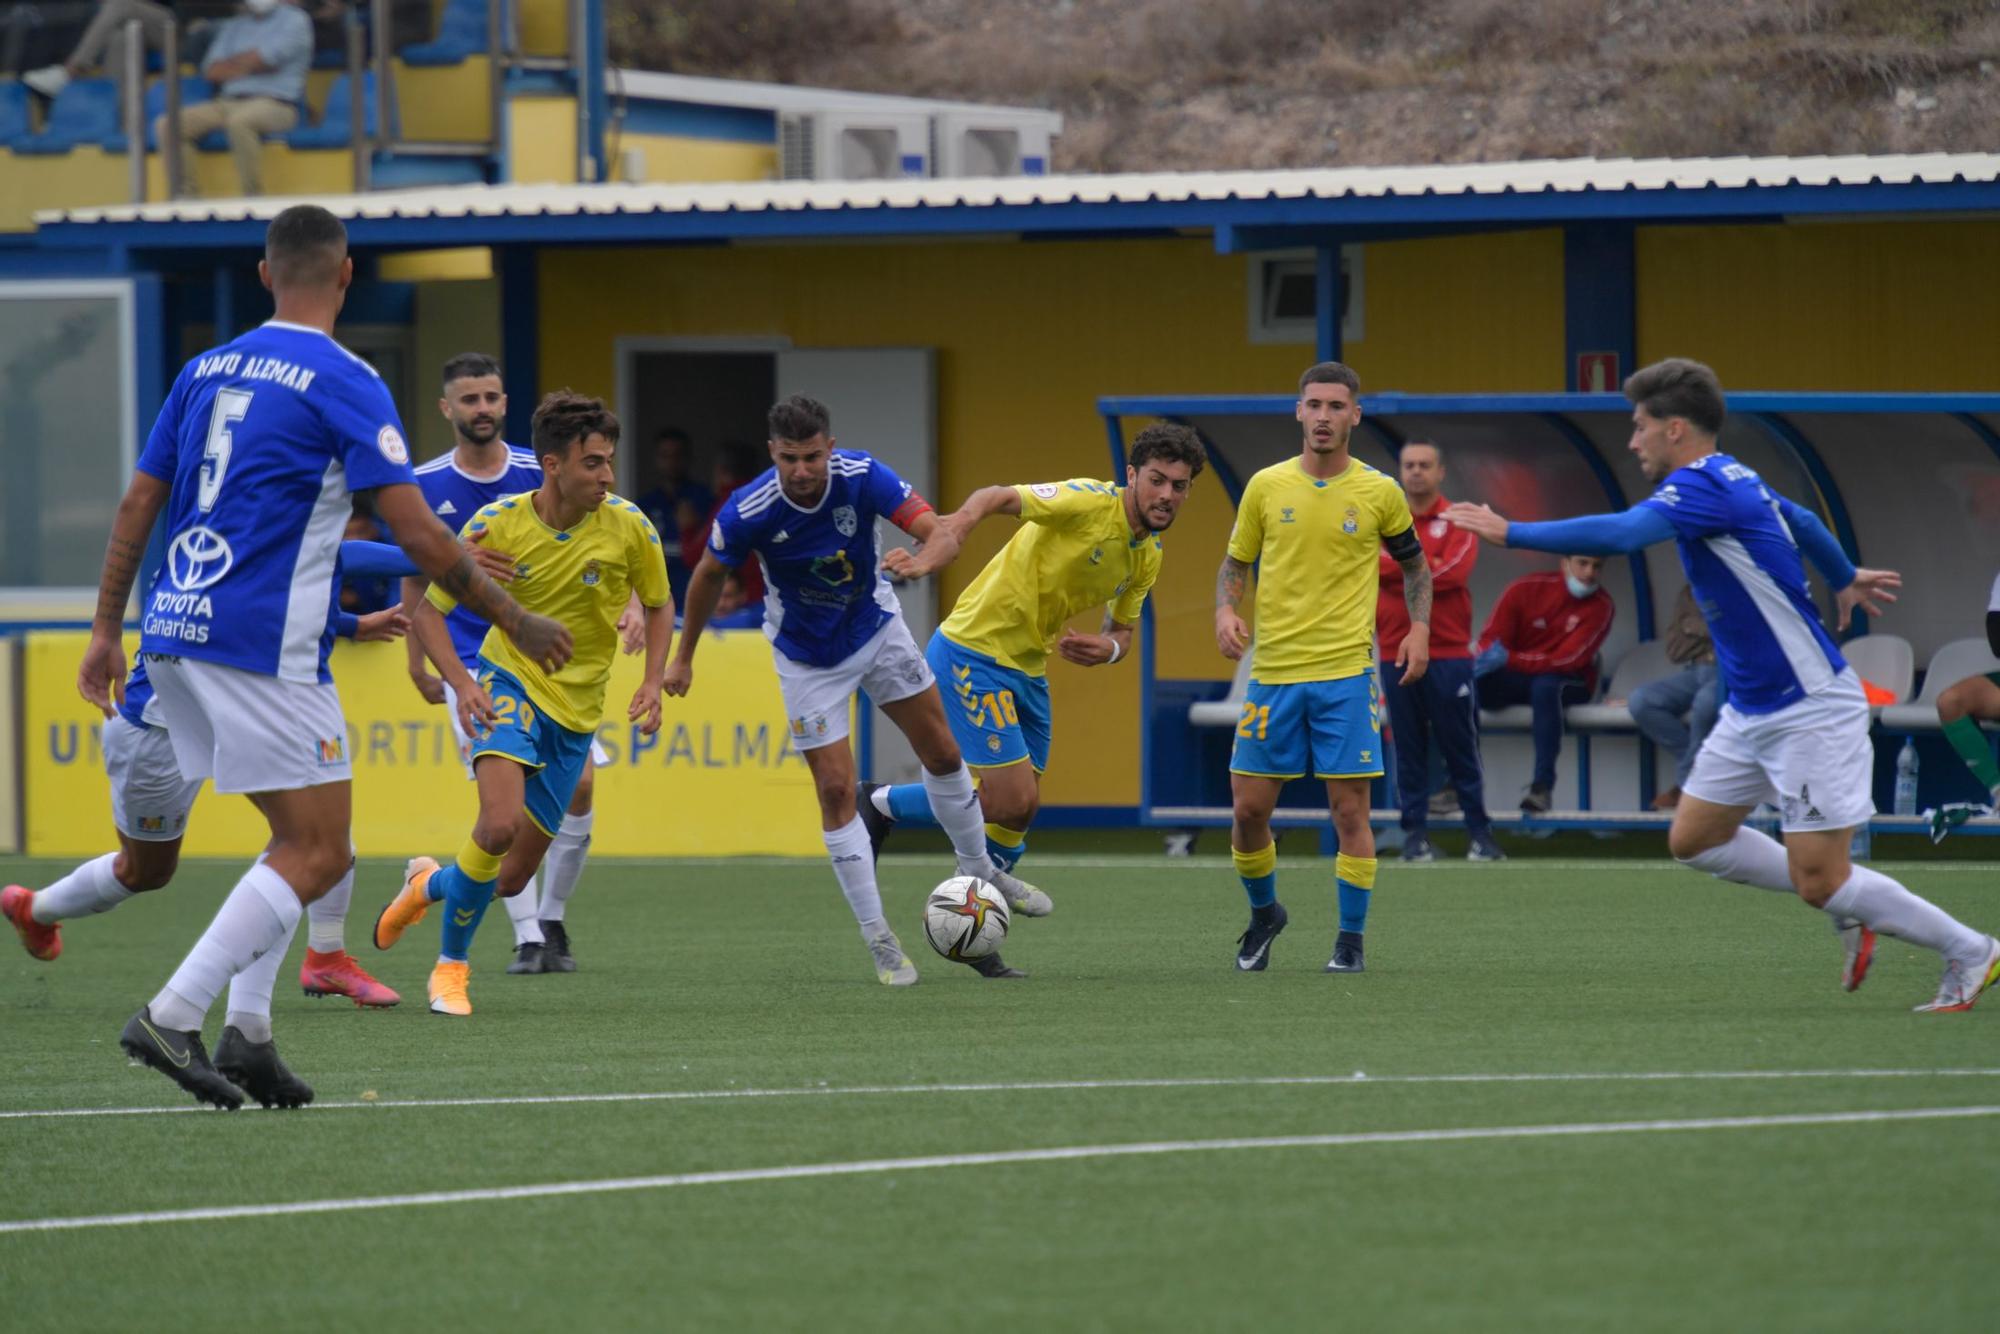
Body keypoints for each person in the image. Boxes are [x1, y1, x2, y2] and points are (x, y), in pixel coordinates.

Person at [68, 204, 566, 1109]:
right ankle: (174, 1015)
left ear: (265, 275)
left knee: (300, 843)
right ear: (346, 275)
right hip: (260, 644)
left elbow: (139, 504)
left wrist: (106, 627)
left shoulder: (204, 369)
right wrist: (516, 618)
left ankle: (250, 1036)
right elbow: (415, 529)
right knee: (320, 848)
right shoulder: (343, 376)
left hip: (172, 630)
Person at [1449, 356, 1998, 1013]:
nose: (1632, 441)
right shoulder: (1734, 476)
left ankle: (1972, 950)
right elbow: (1806, 522)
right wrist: (1843, 573)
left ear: (1675, 429)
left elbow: (1624, 533)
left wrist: (1512, 530)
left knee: (1821, 879)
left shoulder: (1704, 486)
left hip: (1809, 709)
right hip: (1751, 709)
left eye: (1639, 426)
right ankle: (1843, 897)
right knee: (1694, 840)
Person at [667, 394, 1050, 985]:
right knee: (836, 789)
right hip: (806, 659)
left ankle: (982, 872)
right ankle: (879, 939)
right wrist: (683, 657)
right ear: (773, 453)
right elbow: (706, 578)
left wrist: (922, 562)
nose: (802, 470)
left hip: (876, 629)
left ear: (831, 448)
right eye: (790, 458)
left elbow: (941, 532)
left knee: (945, 753)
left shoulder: (864, 476)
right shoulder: (748, 510)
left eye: (813, 456)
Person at [3, 542, 411, 1014]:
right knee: (145, 871)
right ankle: (35, 910)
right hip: (156, 732)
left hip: (226, 708)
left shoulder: (245, 529)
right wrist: (441, 554)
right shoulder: (217, 539)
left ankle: (318, 961)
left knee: (314, 835)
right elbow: (327, 558)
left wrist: (353, 624)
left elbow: (288, 586)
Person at [375, 391, 672, 1017]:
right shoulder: (497, 525)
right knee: (497, 824)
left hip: (578, 712)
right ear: (552, 464)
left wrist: (651, 679)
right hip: (508, 684)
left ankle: (426, 885)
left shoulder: (630, 526)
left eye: (609, 462)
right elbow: (428, 614)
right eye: (592, 463)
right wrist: (463, 683)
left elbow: (657, 600)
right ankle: (450, 970)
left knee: (508, 879)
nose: (607, 476)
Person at [859, 423, 1204, 880]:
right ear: (1132, 475)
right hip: (974, 650)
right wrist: (957, 526)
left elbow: (1122, 631)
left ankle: (981, 928)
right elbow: (997, 496)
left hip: (1028, 666)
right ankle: (880, 803)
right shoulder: (1089, 501)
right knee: (1009, 799)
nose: (1166, 494)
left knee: (1019, 812)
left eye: (1178, 486)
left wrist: (1108, 650)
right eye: (1156, 479)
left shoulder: (1148, 556)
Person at [405, 352, 635, 975]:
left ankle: (537, 913)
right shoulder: (424, 483)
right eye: (469, 399)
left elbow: (618, 546)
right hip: (484, 664)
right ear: (447, 408)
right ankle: (522, 939)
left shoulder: (553, 467)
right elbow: (415, 578)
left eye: (491, 397)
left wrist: (636, 605)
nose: (482, 409)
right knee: (500, 816)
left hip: (558, 663)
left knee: (577, 789)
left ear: (505, 404)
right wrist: (419, 662)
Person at [1217, 362, 1431, 976]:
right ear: (1298, 411)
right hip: (1274, 674)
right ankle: (1264, 915)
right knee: (1249, 812)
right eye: (1314, 405)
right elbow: (1236, 563)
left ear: (1354, 416)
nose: (1323, 417)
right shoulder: (1265, 486)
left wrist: (1418, 629)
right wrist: (1224, 611)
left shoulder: (1379, 492)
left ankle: (1350, 942)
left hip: (1345, 673)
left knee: (1349, 812)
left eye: (1336, 406)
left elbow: (1415, 567)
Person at [1374, 438, 1500, 863]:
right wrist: (1414, 565)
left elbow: (1450, 573)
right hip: (1393, 649)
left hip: (1447, 653)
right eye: (1409, 465)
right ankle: (1415, 838)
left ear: (1440, 471)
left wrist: (1402, 566)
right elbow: (1367, 564)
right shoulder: (1384, 519)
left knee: (1460, 746)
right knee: (1406, 747)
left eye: (1425, 464)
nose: (1416, 472)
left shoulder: (1457, 519)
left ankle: (1480, 835)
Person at [1473, 555, 1615, 813]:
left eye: (1597, 566)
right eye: (1582, 563)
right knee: (1469, 685)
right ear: (1565, 563)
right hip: (1521, 677)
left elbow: (1566, 660)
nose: (1589, 573)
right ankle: (1458, 783)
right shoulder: (1525, 588)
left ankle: (1542, 788)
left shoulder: (1602, 605)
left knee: (1546, 686)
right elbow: (1492, 641)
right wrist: (1488, 662)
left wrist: (1509, 658)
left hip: (1573, 683)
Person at [155, 0, 311, 198]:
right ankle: (186, 198)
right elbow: (212, 70)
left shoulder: (295, 20)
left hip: (278, 103)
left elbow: (265, 59)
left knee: (240, 122)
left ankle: (252, 197)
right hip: (229, 101)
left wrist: (234, 64)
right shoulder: (236, 25)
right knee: (168, 125)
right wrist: (252, 64)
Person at [1627, 583, 1719, 809]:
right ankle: (1696, 770)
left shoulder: (1745, 583)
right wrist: (1712, 628)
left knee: (1706, 703)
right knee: (1642, 701)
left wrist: (1694, 627)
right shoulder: (1691, 590)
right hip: (1695, 670)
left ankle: (1684, 786)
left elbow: (1738, 636)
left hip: (1730, 673)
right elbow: (1675, 650)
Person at [22, 0, 176, 104]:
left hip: (174, 29)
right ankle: (122, 121)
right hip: (136, 31)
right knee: (119, 39)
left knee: (119, 3)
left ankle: (71, 71)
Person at [635, 426, 713, 608]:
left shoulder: (705, 500)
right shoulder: (644, 505)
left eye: (677, 455)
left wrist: (693, 526)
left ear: (689, 458)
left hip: (695, 595)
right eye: (665, 456)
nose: (671, 462)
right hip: (657, 599)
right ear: (656, 459)